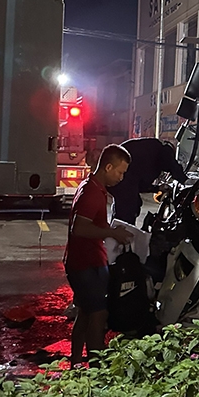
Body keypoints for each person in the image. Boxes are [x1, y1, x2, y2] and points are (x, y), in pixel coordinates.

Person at [64, 144, 133, 367]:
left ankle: (75, 364)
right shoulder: (92, 193)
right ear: (108, 166)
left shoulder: (91, 187)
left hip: (86, 262)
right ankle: (96, 368)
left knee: (85, 313)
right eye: (120, 172)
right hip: (86, 264)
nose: (122, 178)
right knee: (98, 315)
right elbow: (79, 228)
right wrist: (112, 233)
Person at [108, 138, 187, 226]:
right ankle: (122, 234)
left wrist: (157, 188)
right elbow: (172, 165)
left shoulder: (150, 151)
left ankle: (117, 231)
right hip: (122, 176)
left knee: (128, 206)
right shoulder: (165, 149)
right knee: (129, 208)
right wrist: (185, 181)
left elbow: (140, 186)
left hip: (117, 176)